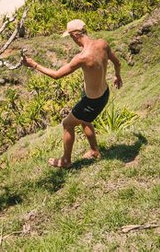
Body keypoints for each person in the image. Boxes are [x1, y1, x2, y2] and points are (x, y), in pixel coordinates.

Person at [21, 18, 123, 168]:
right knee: (85, 120)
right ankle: (94, 151)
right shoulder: (102, 44)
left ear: (75, 36)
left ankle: (66, 161)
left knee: (67, 124)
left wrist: (33, 64)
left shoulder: (82, 58)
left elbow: (56, 75)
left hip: (92, 101)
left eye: (70, 37)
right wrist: (117, 75)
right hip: (104, 92)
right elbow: (117, 62)